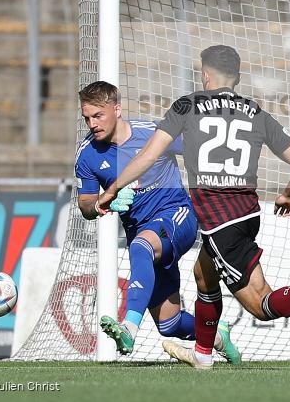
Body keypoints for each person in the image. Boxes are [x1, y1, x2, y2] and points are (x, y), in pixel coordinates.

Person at [96, 45, 290, 370]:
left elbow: (147, 156)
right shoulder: (257, 113)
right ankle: (203, 354)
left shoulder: (186, 106)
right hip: (245, 212)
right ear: (237, 78)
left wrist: (114, 187)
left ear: (204, 74)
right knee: (203, 274)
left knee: (262, 306)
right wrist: (288, 195)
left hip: (218, 219)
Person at [75, 80, 240, 363]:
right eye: (87, 117)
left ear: (117, 109)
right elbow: (85, 205)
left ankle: (128, 327)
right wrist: (105, 201)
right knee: (169, 324)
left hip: (177, 215)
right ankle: (217, 336)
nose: (92, 124)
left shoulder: (153, 133)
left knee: (140, 246)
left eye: (98, 115)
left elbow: (202, 152)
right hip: (145, 233)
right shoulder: (87, 154)